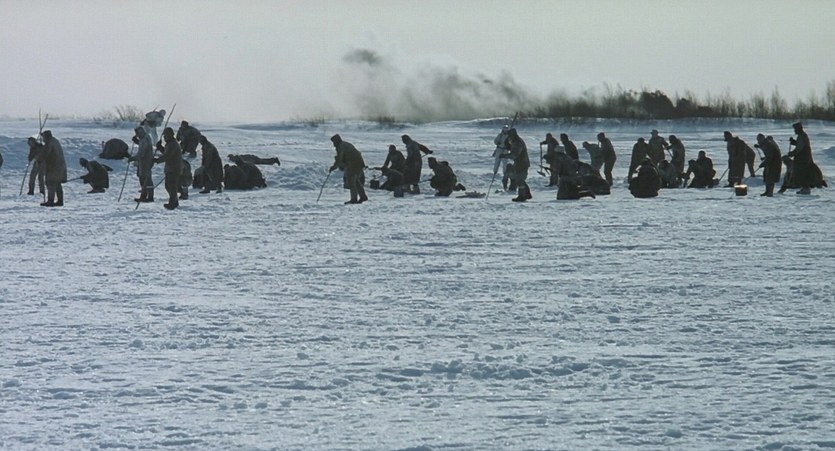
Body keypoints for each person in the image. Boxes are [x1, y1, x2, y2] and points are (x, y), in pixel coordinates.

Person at [329, 134, 368, 204]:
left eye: (333, 142)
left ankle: (354, 199)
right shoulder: (345, 144)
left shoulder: (340, 146)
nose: (333, 144)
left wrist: (334, 167)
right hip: (359, 163)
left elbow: (339, 159)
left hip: (353, 164)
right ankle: (363, 196)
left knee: (351, 181)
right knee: (356, 181)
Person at [499, 128, 532, 202]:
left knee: (520, 180)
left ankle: (522, 196)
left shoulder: (517, 143)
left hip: (522, 163)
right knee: (519, 179)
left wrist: (505, 156)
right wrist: (507, 145)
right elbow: (512, 148)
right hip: (519, 163)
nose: (508, 137)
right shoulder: (515, 141)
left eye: (509, 135)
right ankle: (527, 194)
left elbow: (514, 155)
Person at [155, 127, 183, 210]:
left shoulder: (173, 144)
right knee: (168, 186)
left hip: (174, 168)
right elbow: (166, 152)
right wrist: (160, 147)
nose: (165, 137)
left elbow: (167, 156)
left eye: (166, 135)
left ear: (171, 135)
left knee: (171, 186)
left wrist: (157, 160)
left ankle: (172, 203)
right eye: (164, 136)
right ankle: (175, 201)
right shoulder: (170, 144)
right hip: (171, 168)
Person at [38, 130, 67, 207]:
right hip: (60, 166)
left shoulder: (49, 143)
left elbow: (45, 153)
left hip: (54, 166)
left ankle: (50, 201)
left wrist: (40, 158)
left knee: (50, 182)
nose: (43, 139)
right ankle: (60, 201)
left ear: (46, 137)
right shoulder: (55, 141)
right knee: (57, 183)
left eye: (43, 137)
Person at [788, 122, 815, 195]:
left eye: (795, 129)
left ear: (798, 129)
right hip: (804, 158)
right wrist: (793, 142)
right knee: (803, 172)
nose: (794, 130)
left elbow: (799, 148)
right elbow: (799, 144)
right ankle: (804, 188)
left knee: (803, 173)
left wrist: (791, 153)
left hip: (803, 158)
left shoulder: (802, 136)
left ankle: (806, 188)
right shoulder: (802, 136)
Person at [129, 127, 155, 202]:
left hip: (146, 162)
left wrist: (133, 158)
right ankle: (144, 195)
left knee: (147, 179)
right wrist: (137, 141)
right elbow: (141, 145)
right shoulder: (143, 138)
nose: (137, 135)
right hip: (142, 162)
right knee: (142, 179)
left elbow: (142, 153)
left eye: (137, 133)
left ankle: (150, 196)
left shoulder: (145, 139)